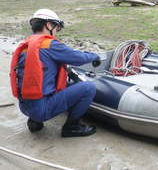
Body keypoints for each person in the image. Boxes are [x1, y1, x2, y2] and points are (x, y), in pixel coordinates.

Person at [9, 9, 101, 137]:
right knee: (88, 88)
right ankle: (72, 127)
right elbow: (78, 58)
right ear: (48, 25)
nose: (56, 32)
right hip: (41, 109)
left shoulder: (26, 45)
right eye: (57, 28)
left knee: (42, 80)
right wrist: (95, 56)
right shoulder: (49, 44)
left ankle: (34, 122)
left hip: (25, 108)